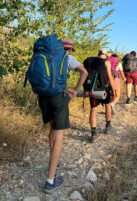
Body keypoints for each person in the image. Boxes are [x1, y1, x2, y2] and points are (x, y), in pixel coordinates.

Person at [38, 39, 87, 194]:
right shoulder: (68, 58)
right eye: (71, 50)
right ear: (70, 49)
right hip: (59, 96)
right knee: (59, 134)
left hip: (43, 96)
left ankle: (54, 161)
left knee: (52, 128)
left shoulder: (45, 55)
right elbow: (84, 72)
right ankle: (50, 181)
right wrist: (75, 90)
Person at [84, 49, 115, 143]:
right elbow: (109, 76)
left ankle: (93, 134)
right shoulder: (107, 62)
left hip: (93, 89)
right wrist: (113, 90)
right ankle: (107, 126)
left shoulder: (92, 62)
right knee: (108, 106)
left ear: (98, 54)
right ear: (105, 55)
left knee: (93, 109)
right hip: (104, 88)